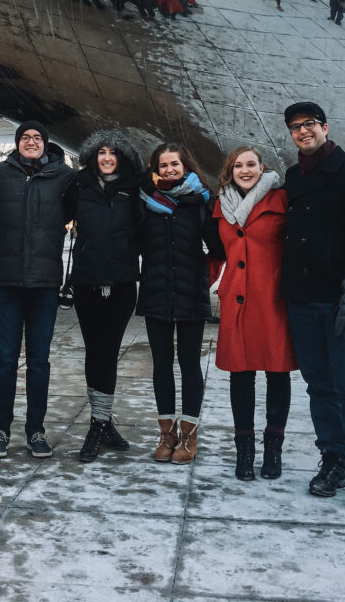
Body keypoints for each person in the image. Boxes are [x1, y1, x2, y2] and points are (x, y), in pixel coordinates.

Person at [281, 102, 345, 508]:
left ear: (325, 127)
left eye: (308, 125)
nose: (302, 132)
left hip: (338, 298)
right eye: (295, 127)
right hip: (302, 299)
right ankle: (333, 461)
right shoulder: (293, 177)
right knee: (319, 386)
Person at [0, 121, 76, 459]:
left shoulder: (63, 178)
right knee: (5, 360)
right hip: (7, 282)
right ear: (16, 143)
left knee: (39, 361)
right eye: (25, 137)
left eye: (38, 137)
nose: (31, 142)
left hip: (44, 283)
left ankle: (36, 430)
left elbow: (77, 210)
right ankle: (0, 430)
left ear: (46, 144)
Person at [211, 147, 297, 481]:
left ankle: (273, 452)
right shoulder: (220, 205)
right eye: (237, 166)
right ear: (229, 171)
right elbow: (214, 252)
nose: (244, 170)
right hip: (238, 300)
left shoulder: (280, 201)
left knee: (277, 375)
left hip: (272, 300)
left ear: (262, 168)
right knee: (241, 376)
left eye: (251, 165)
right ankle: (244, 453)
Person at [67, 129, 142, 462]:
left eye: (113, 152)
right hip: (86, 282)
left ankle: (98, 424)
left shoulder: (134, 189)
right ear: (93, 157)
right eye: (101, 152)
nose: (107, 158)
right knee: (94, 351)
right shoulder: (79, 186)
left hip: (121, 284)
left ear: (122, 158)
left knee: (108, 352)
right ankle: (102, 421)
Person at [138, 142, 214, 464]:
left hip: (190, 291)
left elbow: (218, 243)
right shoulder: (145, 201)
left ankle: (189, 436)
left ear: (186, 167)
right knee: (161, 364)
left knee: (189, 363)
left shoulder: (200, 202)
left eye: (175, 165)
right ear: (155, 169)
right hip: (156, 290)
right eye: (163, 165)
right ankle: (167, 435)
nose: (169, 170)